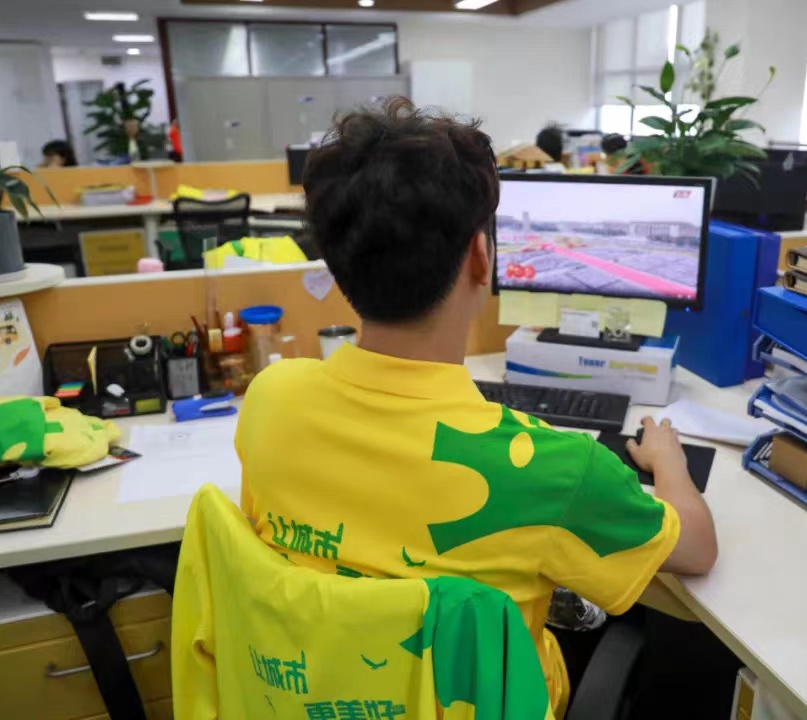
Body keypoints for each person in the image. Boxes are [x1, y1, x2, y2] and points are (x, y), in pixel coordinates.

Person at [235, 98, 717, 715]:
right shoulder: (550, 468)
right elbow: (696, 551)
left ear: (334, 260)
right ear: (481, 257)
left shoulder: (271, 398)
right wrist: (668, 462)